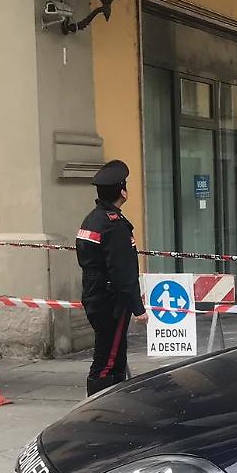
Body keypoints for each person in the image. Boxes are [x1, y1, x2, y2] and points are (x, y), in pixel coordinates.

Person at [77, 160, 146, 396]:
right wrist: (138, 308)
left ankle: (105, 402)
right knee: (109, 360)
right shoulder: (113, 225)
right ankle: (101, 404)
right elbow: (122, 270)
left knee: (108, 352)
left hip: (95, 295)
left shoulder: (93, 219)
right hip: (111, 302)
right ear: (122, 191)